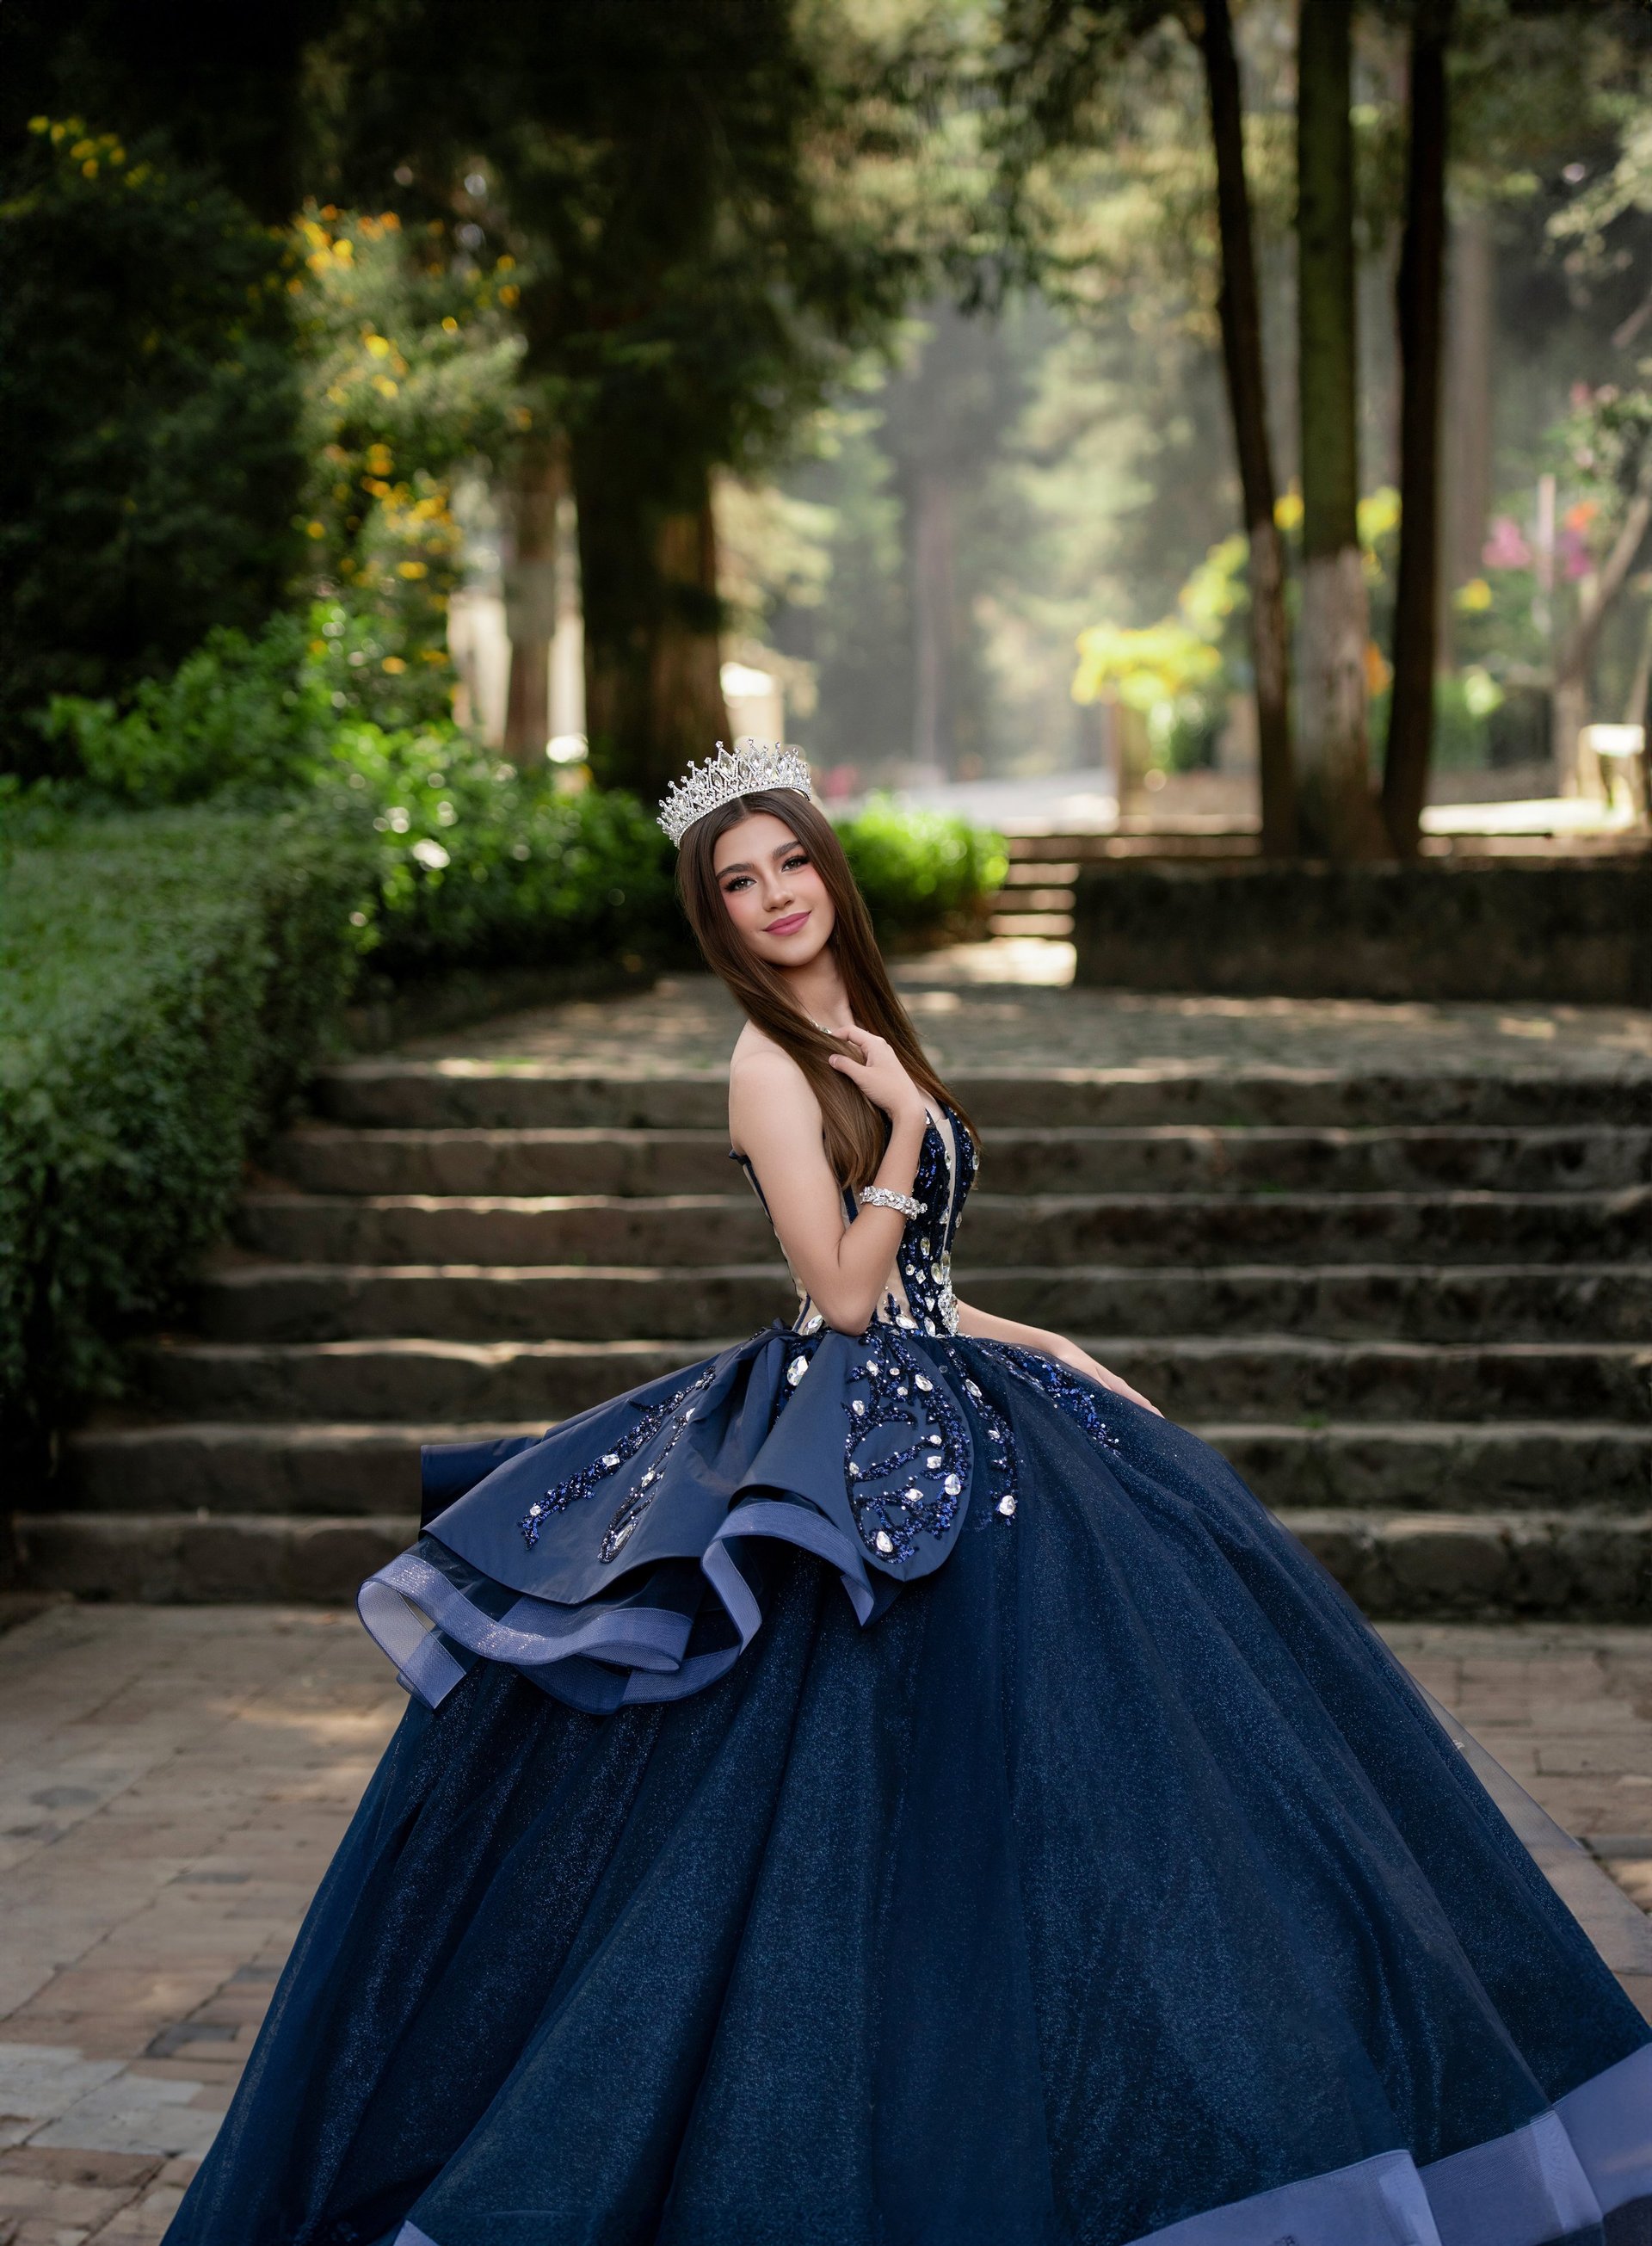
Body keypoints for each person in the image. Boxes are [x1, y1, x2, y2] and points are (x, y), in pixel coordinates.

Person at [167, 744, 1649, 2246]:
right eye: (737, 884)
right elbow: (842, 1293)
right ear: (716, 918)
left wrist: (1051, 1344)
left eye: (788, 863)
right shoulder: (766, 1066)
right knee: (831, 1788)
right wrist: (910, 1140)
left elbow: (928, 1288)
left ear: (827, 867)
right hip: (850, 1438)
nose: (774, 896)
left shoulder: (866, 1034)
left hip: (957, 1395)